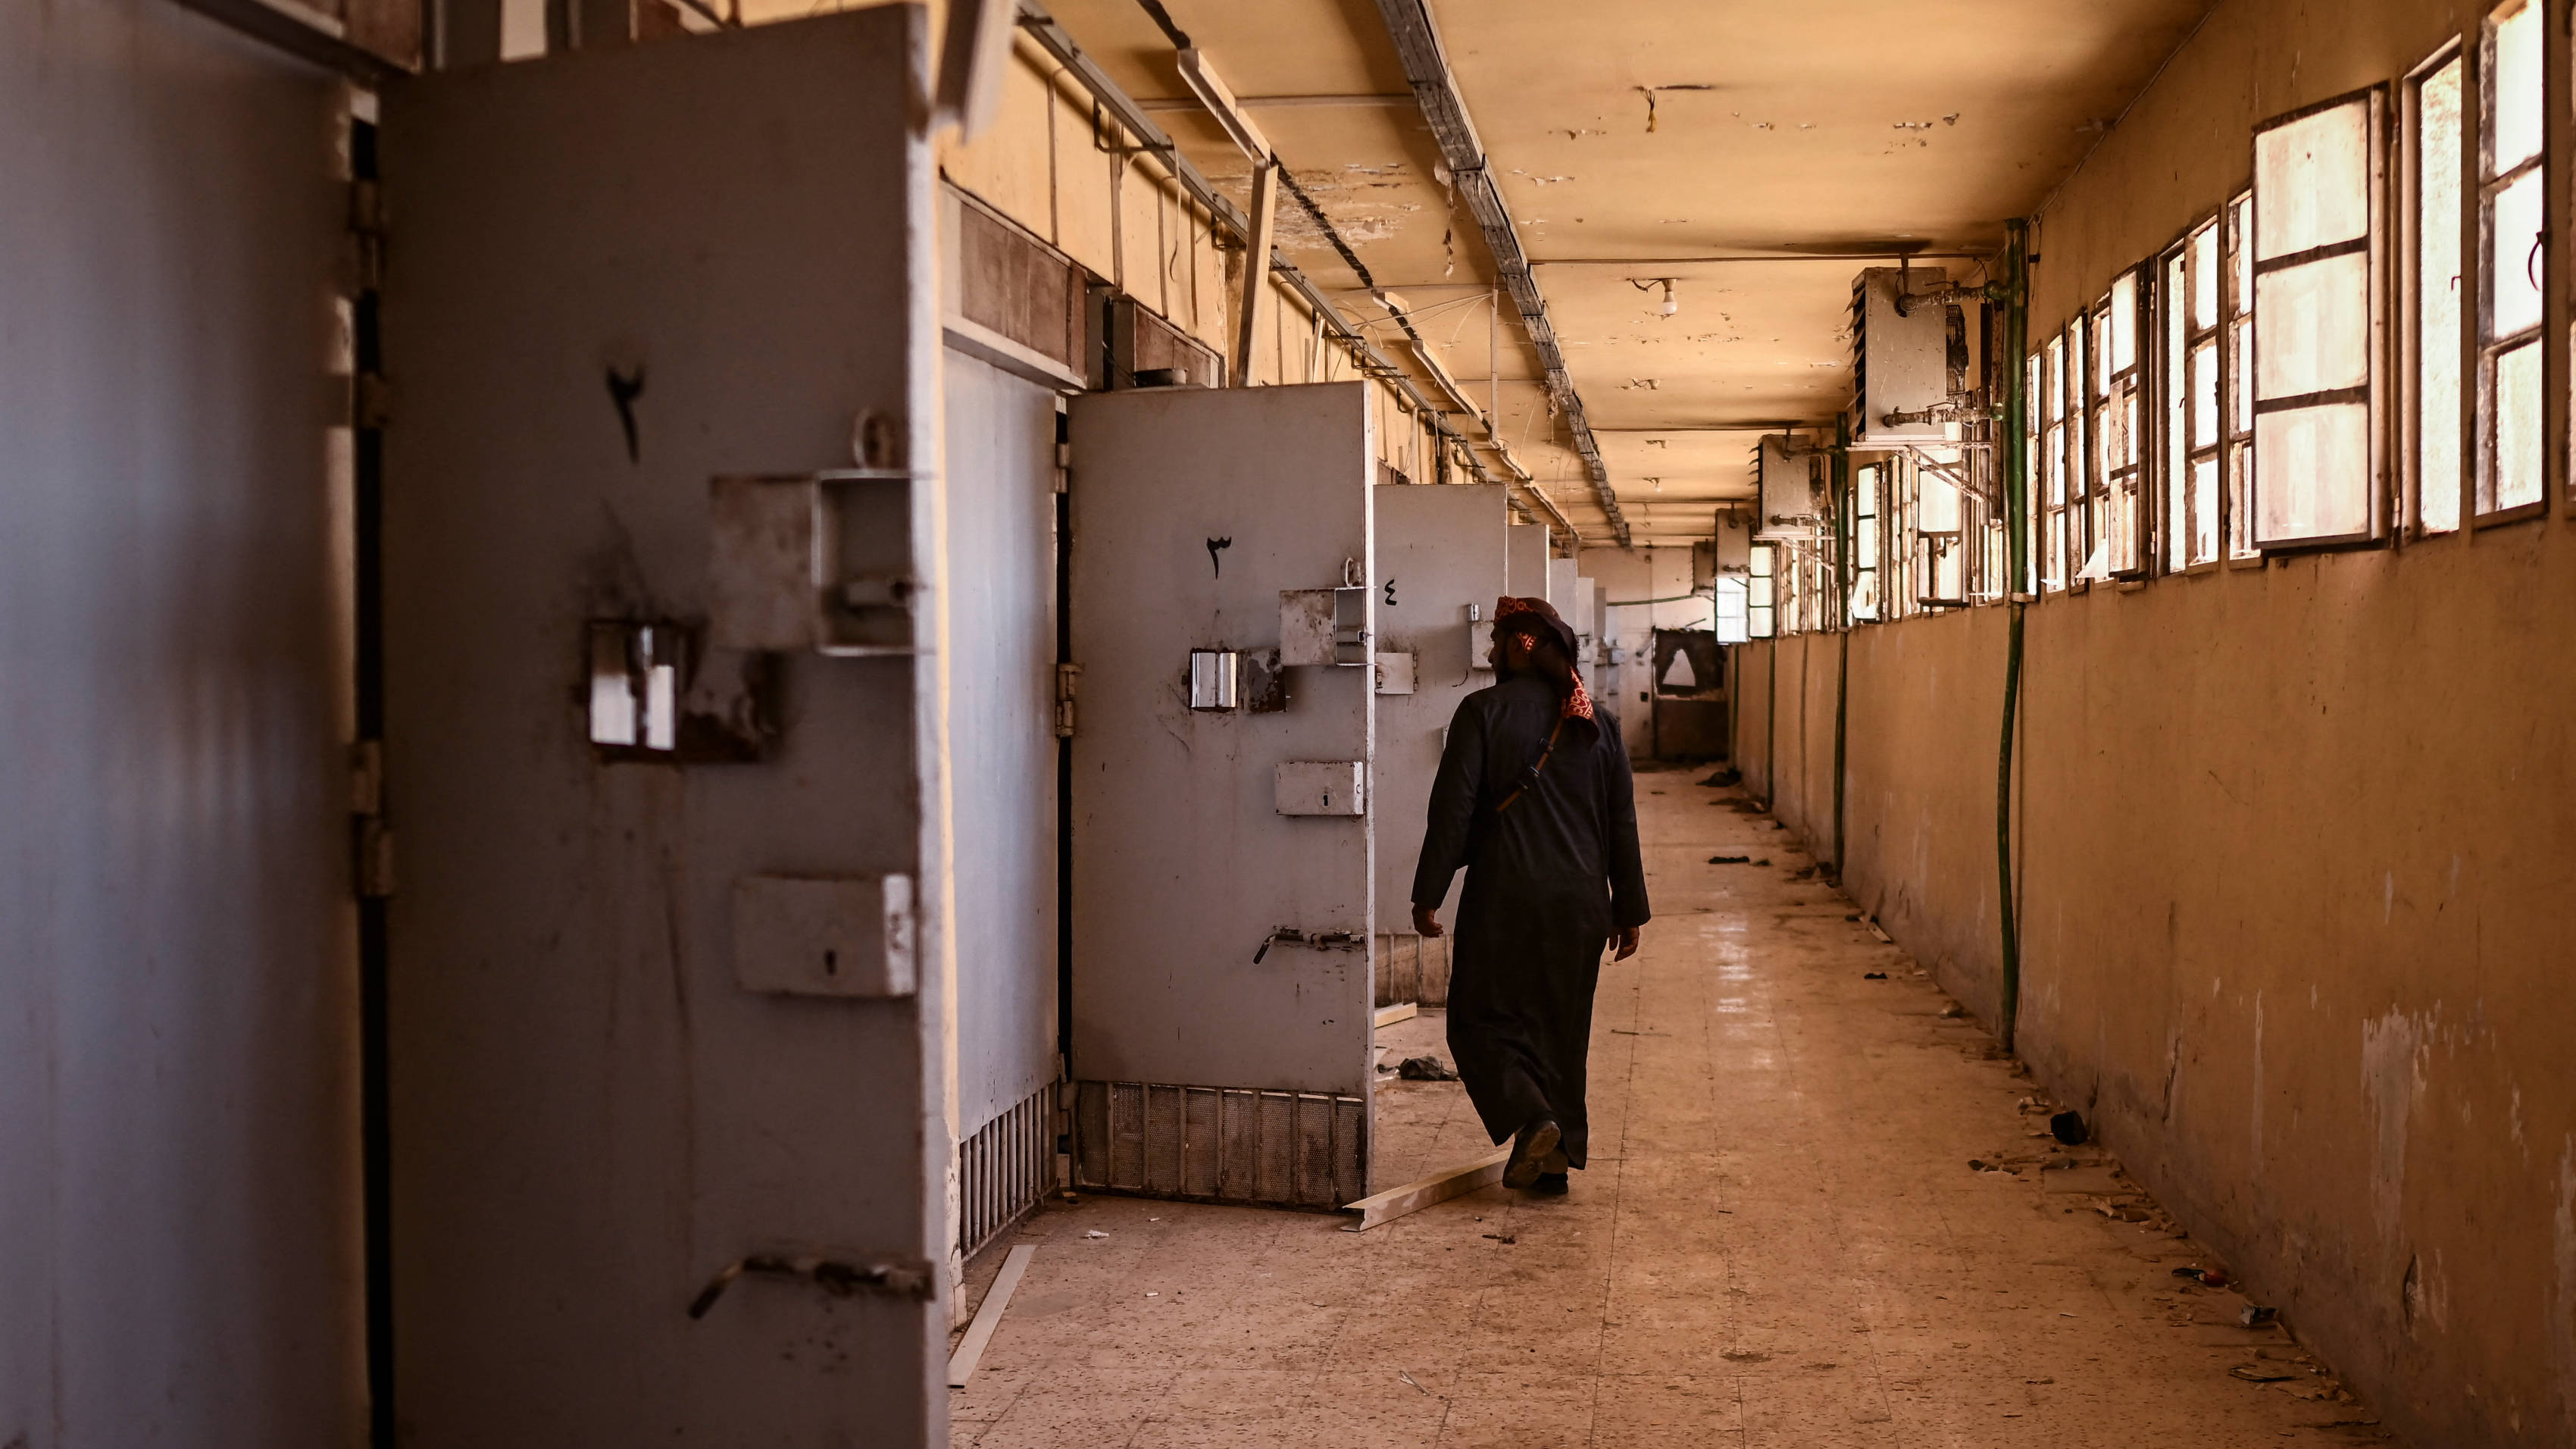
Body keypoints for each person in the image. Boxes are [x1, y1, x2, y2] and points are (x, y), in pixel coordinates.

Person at [1411, 596, 1649, 1194]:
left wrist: (1428, 892)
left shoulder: (1481, 712)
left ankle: (1533, 1117)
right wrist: (1628, 910)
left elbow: (1453, 813)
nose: (1488, 651)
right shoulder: (1601, 724)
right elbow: (1620, 821)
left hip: (1505, 896)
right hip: (1582, 905)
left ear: (1520, 644)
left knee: (1476, 1019)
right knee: (1561, 1032)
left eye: (1495, 640)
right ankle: (1553, 1166)